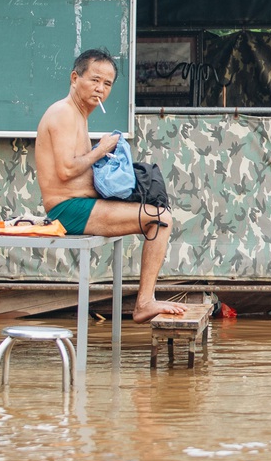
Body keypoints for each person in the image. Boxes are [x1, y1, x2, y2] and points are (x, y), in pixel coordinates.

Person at [35, 48, 186, 323]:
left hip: (81, 204)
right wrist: (101, 149)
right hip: (68, 209)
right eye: (94, 80)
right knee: (160, 218)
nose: (100, 89)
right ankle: (144, 303)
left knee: (154, 202)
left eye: (107, 84)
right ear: (74, 77)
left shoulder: (78, 115)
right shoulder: (63, 113)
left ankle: (146, 300)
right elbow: (66, 169)